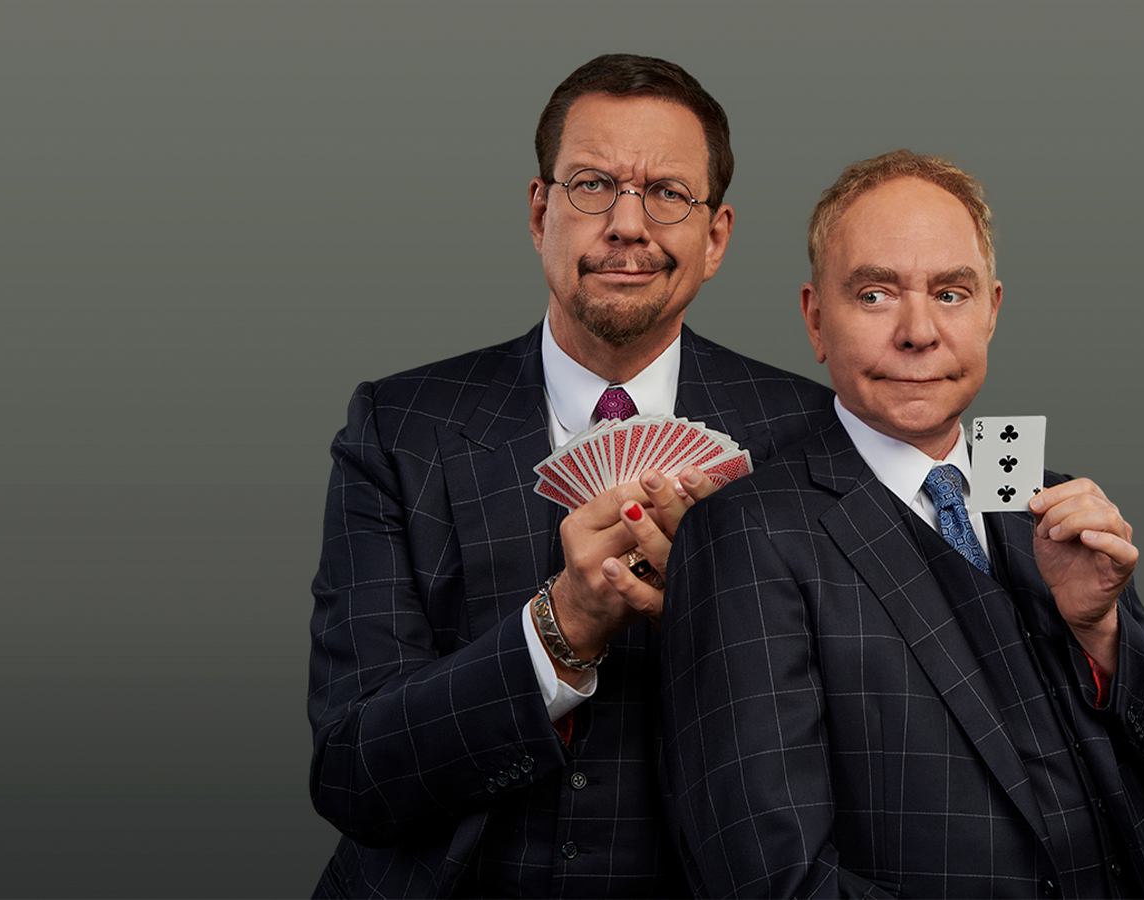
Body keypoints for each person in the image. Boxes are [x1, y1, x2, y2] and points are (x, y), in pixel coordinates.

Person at [307, 54, 834, 898]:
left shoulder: (812, 434)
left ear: (718, 237)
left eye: (667, 193)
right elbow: (354, 772)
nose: (628, 225)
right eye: (592, 184)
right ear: (538, 210)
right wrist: (562, 626)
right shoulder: (401, 429)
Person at [661, 151, 1144, 898]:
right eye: (874, 294)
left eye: (951, 294)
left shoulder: (1046, 498)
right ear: (815, 318)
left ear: (992, 310)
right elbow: (772, 881)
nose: (919, 331)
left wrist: (1103, 633)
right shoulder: (749, 534)